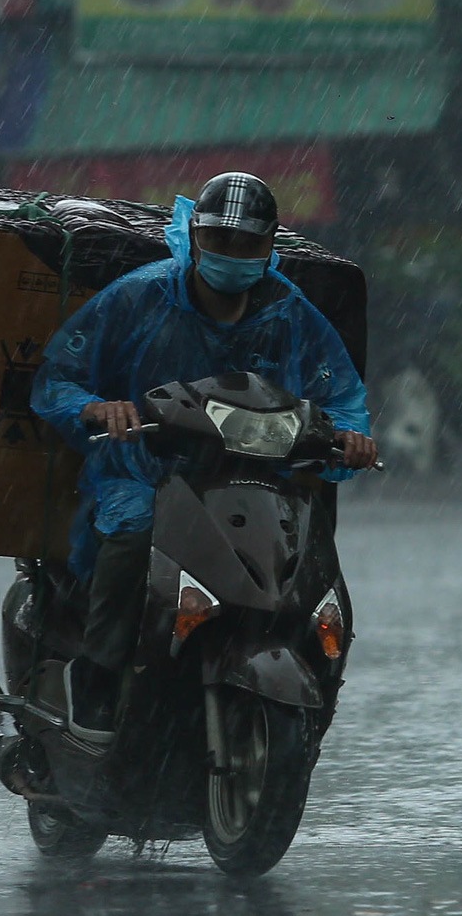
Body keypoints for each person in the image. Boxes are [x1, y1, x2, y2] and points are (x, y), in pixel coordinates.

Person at [28, 173, 377, 741]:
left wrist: (352, 437)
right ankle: (98, 678)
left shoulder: (293, 313)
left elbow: (340, 395)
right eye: (220, 242)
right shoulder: (139, 296)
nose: (233, 257)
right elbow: (58, 379)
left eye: (247, 246)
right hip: (146, 472)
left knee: (304, 563)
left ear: (270, 249)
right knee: (134, 535)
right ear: (195, 236)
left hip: (257, 478)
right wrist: (98, 410)